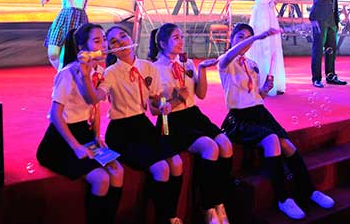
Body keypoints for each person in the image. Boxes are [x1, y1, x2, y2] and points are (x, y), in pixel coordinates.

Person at [218, 23, 335, 220]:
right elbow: (231, 55)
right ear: (232, 39)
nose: (244, 41)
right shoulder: (225, 61)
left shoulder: (252, 64)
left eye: (248, 37)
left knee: (287, 145)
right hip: (239, 118)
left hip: (260, 113)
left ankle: (309, 190)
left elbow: (256, 97)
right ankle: (283, 199)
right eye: (240, 36)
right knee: (272, 139)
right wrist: (256, 37)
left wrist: (264, 89)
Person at [36, 23, 123, 224]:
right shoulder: (68, 73)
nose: (105, 45)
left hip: (85, 133)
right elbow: (55, 115)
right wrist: (76, 147)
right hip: (61, 140)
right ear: (83, 48)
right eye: (97, 41)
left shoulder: (99, 71)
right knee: (101, 179)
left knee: (118, 171)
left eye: (104, 40)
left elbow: (95, 105)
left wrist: (97, 135)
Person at [148, 23, 233, 224]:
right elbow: (154, 109)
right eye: (176, 37)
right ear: (162, 43)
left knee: (226, 145)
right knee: (210, 147)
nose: (181, 41)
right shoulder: (154, 69)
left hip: (193, 114)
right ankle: (207, 206)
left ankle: (219, 201)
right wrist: (175, 99)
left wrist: (201, 69)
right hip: (170, 120)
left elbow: (200, 94)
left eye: (181, 37)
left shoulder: (186, 64)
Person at [101, 25, 184, 224]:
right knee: (161, 167)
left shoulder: (148, 67)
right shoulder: (110, 73)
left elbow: (155, 99)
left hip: (143, 125)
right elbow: (98, 95)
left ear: (131, 39)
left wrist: (164, 104)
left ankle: (171, 215)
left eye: (123, 36)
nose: (120, 42)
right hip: (121, 131)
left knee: (177, 162)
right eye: (114, 42)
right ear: (110, 49)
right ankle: (164, 219)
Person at [41, 0, 112, 70]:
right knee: (53, 53)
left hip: (80, 19)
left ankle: (69, 74)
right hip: (64, 18)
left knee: (74, 52)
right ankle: (63, 73)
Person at [246, 0, 287, 95]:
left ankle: (272, 81)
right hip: (261, 13)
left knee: (273, 45)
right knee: (262, 46)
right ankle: (259, 81)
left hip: (269, 12)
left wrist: (273, 0)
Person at [309, 0, 347, 87]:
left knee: (331, 49)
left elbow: (334, 2)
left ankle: (331, 76)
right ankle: (316, 79)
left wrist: (337, 20)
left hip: (332, 19)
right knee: (318, 49)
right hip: (320, 18)